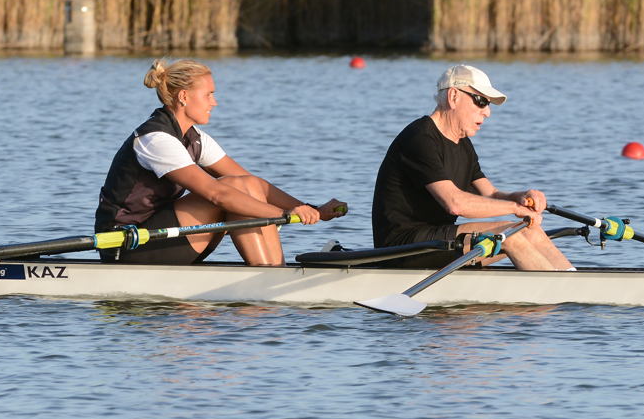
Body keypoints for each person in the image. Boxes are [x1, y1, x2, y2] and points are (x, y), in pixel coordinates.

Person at [96, 58, 347, 265]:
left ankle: (273, 270)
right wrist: (283, 214)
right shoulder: (156, 139)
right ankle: (268, 278)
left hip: (165, 238)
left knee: (244, 185)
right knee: (232, 190)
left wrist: (312, 209)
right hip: (128, 246)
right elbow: (217, 195)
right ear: (183, 96)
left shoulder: (194, 138)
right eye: (209, 95)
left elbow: (254, 185)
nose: (214, 102)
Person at [371, 64, 573, 270]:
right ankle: (560, 297)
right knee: (510, 237)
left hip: (438, 238)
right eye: (481, 101)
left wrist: (519, 197)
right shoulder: (419, 139)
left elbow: (491, 194)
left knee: (528, 230)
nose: (487, 112)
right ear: (453, 96)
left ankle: (573, 283)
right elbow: (455, 203)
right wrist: (515, 209)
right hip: (403, 247)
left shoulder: (463, 143)